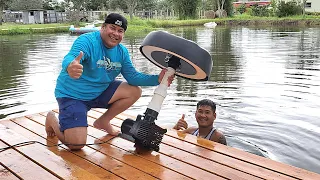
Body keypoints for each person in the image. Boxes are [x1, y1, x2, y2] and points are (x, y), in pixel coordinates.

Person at [45, 13, 174, 150]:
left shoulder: (122, 52)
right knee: (76, 144)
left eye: (120, 31)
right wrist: (70, 65)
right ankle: (52, 119)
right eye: (112, 28)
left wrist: (157, 79)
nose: (116, 33)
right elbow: (71, 56)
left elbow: (132, 77)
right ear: (103, 27)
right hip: (72, 96)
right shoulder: (87, 41)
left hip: (99, 91)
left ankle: (103, 121)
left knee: (134, 91)